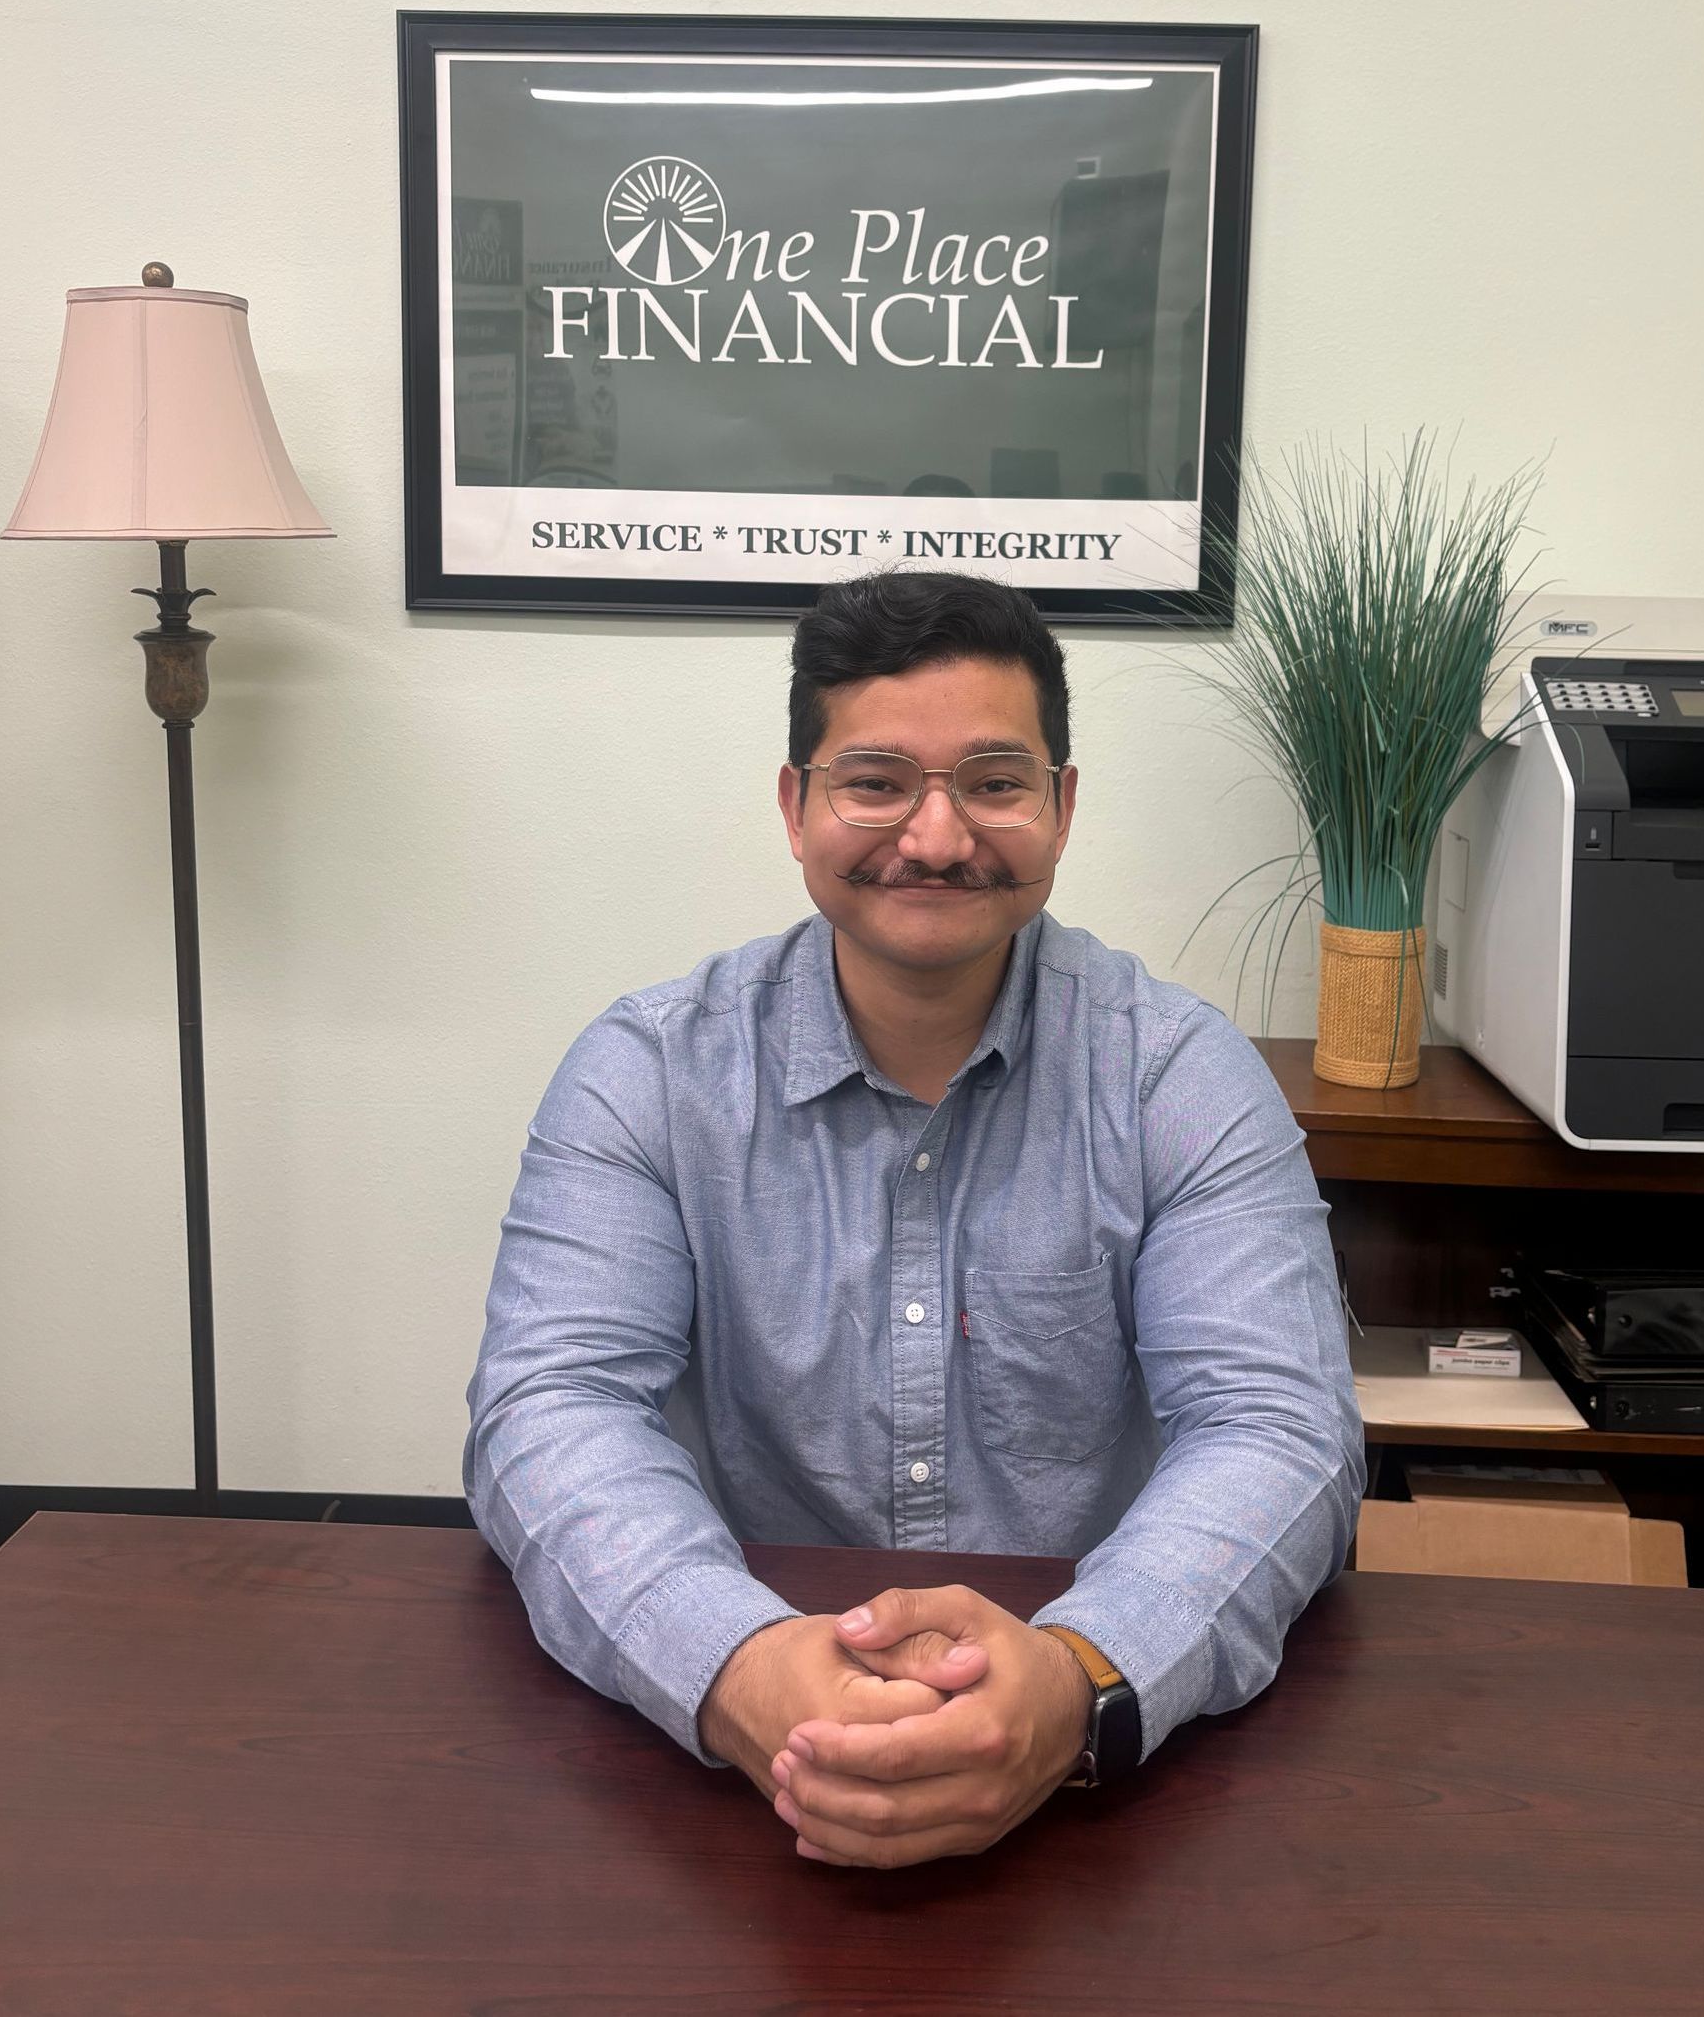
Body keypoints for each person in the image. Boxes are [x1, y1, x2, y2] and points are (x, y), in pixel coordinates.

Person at [462, 570, 1365, 1869]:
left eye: (995, 782)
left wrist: (1081, 1677)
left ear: (1062, 806)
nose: (936, 837)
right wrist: (740, 1661)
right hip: (746, 1776)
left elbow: (1279, 1426)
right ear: (796, 805)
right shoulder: (649, 1071)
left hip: (1109, 1799)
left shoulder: (1181, 1072)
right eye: (876, 781)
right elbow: (551, 1405)